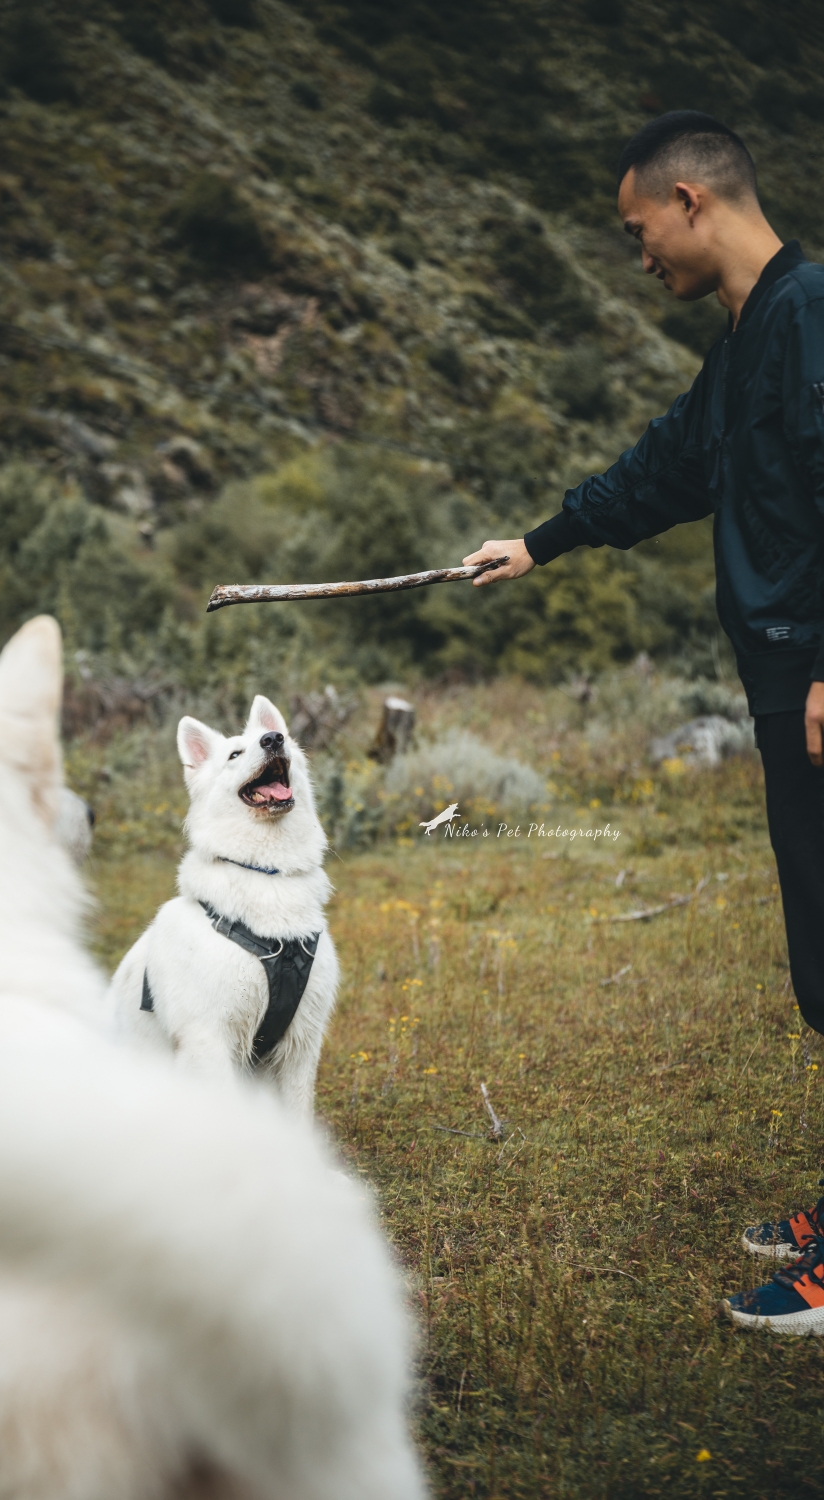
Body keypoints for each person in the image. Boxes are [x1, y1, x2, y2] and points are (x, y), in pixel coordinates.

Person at [464, 110, 824, 1335]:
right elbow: (665, 468)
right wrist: (542, 541)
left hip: (820, 684)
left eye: (636, 234)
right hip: (787, 684)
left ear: (688, 200)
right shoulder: (744, 342)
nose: (638, 259)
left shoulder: (811, 309)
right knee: (820, 955)